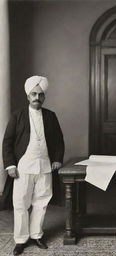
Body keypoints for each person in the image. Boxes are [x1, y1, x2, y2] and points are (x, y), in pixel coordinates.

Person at [2, 76, 65, 255]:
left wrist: (57, 159)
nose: (37, 97)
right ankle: (21, 240)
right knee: (21, 203)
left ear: (44, 97)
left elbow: (59, 141)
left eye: (40, 94)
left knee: (41, 202)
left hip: (45, 166)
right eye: (34, 94)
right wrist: (10, 165)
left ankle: (36, 235)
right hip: (23, 167)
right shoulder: (18, 116)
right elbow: (7, 142)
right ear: (28, 96)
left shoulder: (51, 116)